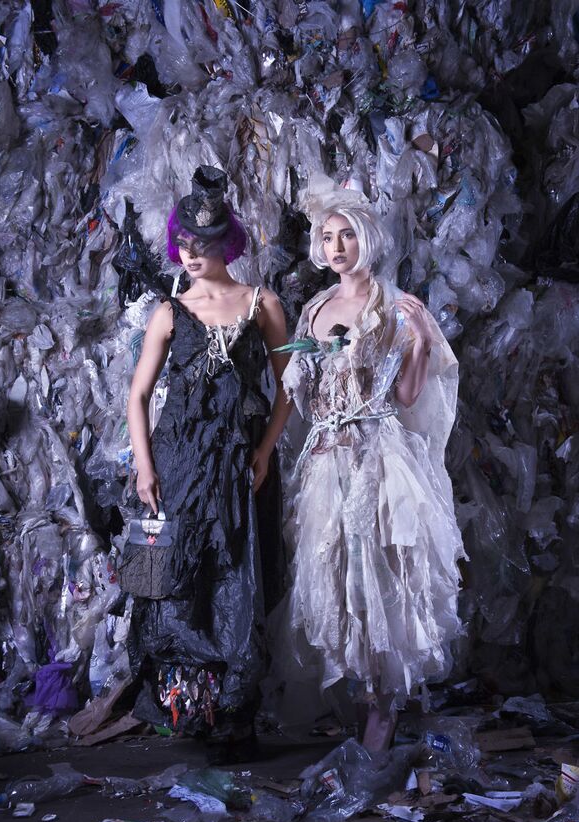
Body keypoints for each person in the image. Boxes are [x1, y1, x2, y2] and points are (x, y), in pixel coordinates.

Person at [273, 174, 464, 751]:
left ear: (367, 239)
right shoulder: (314, 308)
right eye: (328, 237)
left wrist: (422, 341)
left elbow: (406, 396)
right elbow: (302, 392)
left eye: (347, 235)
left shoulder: (393, 306)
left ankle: (383, 705)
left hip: (377, 457)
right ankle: (358, 702)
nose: (336, 247)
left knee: (380, 575)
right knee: (336, 576)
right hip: (327, 459)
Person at [126, 166, 291, 755]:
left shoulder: (263, 303)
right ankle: (188, 711)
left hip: (240, 468)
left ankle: (236, 717)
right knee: (177, 582)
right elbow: (138, 397)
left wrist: (264, 452)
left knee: (239, 580)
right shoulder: (168, 311)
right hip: (179, 464)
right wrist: (145, 468)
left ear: (227, 243)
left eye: (204, 244)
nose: (191, 255)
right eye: (184, 244)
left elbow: (290, 387)